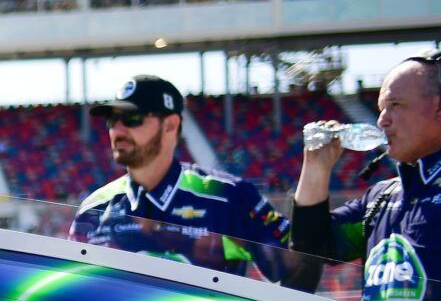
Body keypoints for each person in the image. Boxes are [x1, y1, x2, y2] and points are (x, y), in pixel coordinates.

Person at [291, 52, 441, 301]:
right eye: (382, 107)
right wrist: (315, 168)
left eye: (395, 105)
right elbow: (311, 250)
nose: (382, 120)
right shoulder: (383, 197)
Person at [72, 74, 296, 282]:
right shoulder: (94, 208)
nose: (118, 130)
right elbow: (76, 294)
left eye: (132, 118)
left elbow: (295, 270)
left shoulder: (228, 196)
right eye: (112, 120)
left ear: (170, 125)